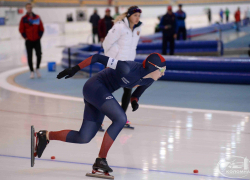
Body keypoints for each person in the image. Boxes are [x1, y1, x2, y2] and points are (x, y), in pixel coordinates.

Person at [34, 52, 166, 174]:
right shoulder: (126, 67)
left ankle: (45, 136)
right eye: (162, 70)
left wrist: (135, 101)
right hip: (95, 86)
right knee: (120, 119)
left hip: (101, 94)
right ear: (152, 67)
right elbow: (97, 57)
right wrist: (75, 68)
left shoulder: (150, 79)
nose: (163, 73)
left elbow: (137, 93)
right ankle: (101, 160)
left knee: (84, 137)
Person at [102, 6, 142, 129]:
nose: (137, 18)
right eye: (135, 15)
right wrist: (112, 59)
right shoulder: (119, 27)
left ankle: (121, 118)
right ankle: (98, 120)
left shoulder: (137, 29)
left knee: (128, 90)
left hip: (128, 65)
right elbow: (106, 43)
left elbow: (131, 48)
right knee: (105, 92)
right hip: (114, 63)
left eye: (139, 16)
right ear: (129, 15)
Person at [19, 3, 44, 79]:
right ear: (26, 8)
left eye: (30, 7)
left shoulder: (37, 17)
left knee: (39, 54)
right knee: (29, 56)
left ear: (32, 8)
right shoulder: (24, 19)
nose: (29, 9)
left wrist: (39, 36)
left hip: (37, 40)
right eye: (28, 7)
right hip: (29, 41)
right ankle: (32, 71)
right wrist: (25, 37)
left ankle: (37, 68)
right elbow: (21, 29)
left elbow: (41, 28)